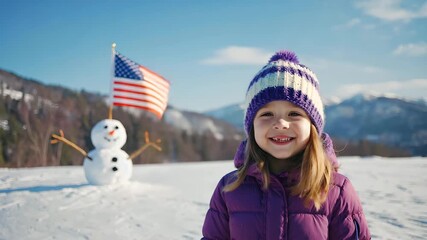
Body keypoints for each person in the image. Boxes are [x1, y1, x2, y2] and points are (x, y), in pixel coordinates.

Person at [202, 50, 371, 239]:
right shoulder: (230, 188)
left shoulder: (337, 191)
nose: (280, 123)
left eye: (294, 114)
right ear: (252, 128)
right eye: (266, 114)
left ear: (313, 127)